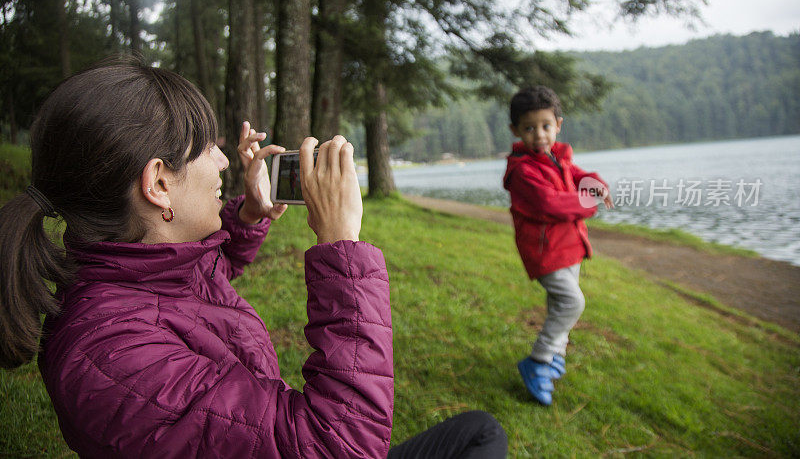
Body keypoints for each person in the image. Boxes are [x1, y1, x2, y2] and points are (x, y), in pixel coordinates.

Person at [0, 60, 507, 458]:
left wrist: (247, 215)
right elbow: (336, 445)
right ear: (158, 184)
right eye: (205, 147)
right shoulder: (114, 357)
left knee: (479, 433)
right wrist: (340, 249)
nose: (224, 158)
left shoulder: (136, 268)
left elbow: (205, 279)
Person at [503, 86, 614, 406]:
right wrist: (588, 204)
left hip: (569, 248)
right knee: (571, 303)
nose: (539, 135)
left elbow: (579, 174)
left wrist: (597, 185)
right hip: (545, 252)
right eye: (529, 128)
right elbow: (549, 203)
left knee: (559, 305)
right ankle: (538, 360)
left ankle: (554, 357)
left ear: (558, 125)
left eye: (546, 126)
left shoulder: (558, 157)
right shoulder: (523, 170)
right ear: (516, 131)